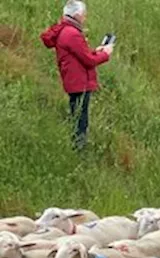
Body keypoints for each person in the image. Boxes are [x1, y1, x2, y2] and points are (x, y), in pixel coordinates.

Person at [41, 0, 112, 151]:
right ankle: (79, 149)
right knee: (81, 119)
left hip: (73, 81)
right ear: (78, 15)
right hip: (80, 83)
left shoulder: (66, 31)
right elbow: (88, 61)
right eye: (84, 15)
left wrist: (97, 50)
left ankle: (77, 146)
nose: (85, 18)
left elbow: (81, 55)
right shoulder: (72, 34)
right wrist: (105, 54)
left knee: (77, 115)